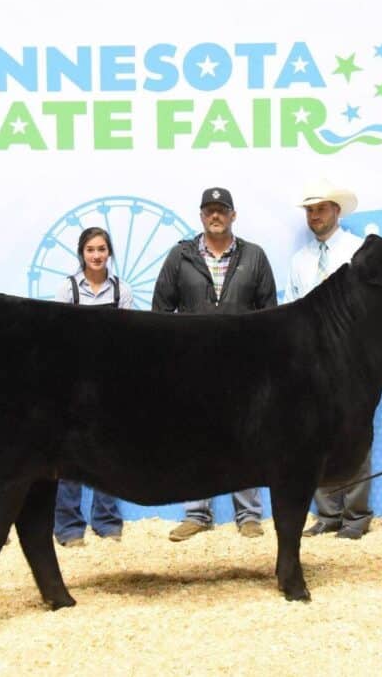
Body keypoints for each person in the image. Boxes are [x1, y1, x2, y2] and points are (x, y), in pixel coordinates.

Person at [152, 186, 277, 541]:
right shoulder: (181, 256)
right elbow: (161, 311)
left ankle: (249, 515)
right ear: (201, 216)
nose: (215, 215)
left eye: (222, 209)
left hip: (245, 366)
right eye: (209, 210)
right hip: (192, 366)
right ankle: (196, 514)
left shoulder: (255, 256)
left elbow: (270, 313)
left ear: (233, 215)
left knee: (248, 437)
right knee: (193, 437)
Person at [287, 179, 373, 540]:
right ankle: (326, 513)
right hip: (310, 359)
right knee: (313, 435)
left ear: (337, 211)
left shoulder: (359, 252)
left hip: (351, 357)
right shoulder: (300, 260)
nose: (315, 216)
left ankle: (355, 515)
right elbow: (292, 309)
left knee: (353, 434)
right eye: (310, 210)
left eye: (320, 208)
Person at [52, 227, 134, 546]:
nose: (97, 255)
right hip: (73, 385)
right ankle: (69, 527)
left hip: (110, 386)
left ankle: (107, 522)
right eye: (90, 249)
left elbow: (128, 342)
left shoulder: (121, 291)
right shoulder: (68, 289)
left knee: (108, 456)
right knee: (70, 457)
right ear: (81, 254)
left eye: (101, 249)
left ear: (109, 253)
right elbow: (56, 340)